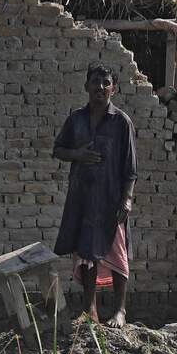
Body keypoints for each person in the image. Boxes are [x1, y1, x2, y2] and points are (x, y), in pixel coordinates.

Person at [52, 64, 138, 325]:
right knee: (86, 253)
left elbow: (131, 168)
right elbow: (58, 149)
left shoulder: (121, 122)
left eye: (105, 82)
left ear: (114, 88)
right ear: (86, 86)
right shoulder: (76, 120)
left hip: (112, 199)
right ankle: (89, 309)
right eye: (95, 82)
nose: (100, 87)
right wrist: (78, 154)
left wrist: (127, 199)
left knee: (117, 253)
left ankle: (120, 310)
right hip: (83, 198)